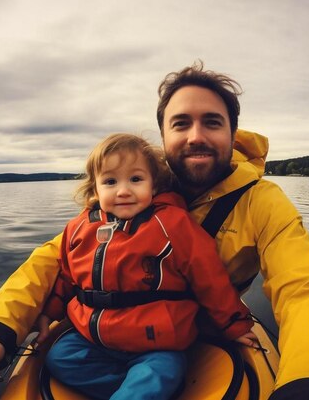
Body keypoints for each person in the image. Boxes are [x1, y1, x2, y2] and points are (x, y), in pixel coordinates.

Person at [0, 61, 309, 400]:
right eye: (181, 124)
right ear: (164, 137)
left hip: (181, 337)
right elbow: (50, 264)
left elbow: (306, 289)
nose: (196, 136)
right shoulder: (124, 199)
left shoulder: (263, 201)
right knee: (62, 358)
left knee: (159, 372)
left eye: (212, 123)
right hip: (107, 334)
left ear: (231, 134)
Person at [33, 133, 253, 400]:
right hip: (94, 339)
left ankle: (142, 388)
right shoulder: (78, 228)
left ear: (154, 185)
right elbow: (68, 277)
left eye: (136, 179)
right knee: (60, 357)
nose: (123, 190)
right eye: (110, 181)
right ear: (95, 189)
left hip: (157, 345)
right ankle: (133, 389)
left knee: (163, 370)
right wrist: (50, 311)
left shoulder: (173, 224)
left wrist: (235, 326)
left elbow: (210, 279)